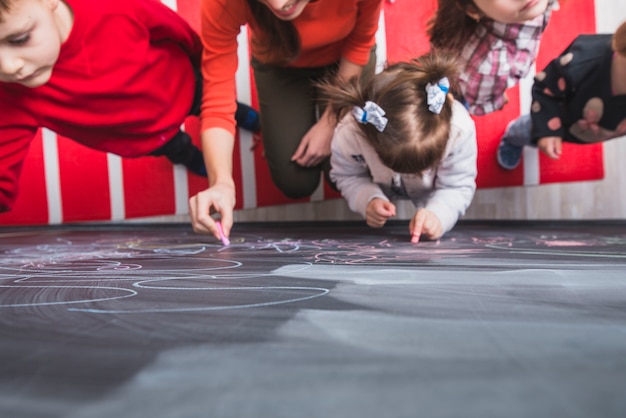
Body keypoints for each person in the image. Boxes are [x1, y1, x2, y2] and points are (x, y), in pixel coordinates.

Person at [0, 0, 259, 213]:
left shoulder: (114, 6)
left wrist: (201, 62)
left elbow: (174, 28)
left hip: (182, 85)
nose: (8, 67)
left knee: (218, 105)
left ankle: (246, 117)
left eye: (20, 39)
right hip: (146, 137)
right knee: (179, 149)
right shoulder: (12, 92)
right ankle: (195, 160)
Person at [188, 0, 383, 240]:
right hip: (280, 64)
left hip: (346, 60)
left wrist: (330, 122)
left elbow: (359, 42)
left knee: (347, 168)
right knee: (295, 182)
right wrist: (221, 183)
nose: (279, 5)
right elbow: (217, 100)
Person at [320, 53, 478, 242]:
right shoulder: (349, 133)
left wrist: (439, 214)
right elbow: (346, 175)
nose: (414, 172)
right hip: (379, 183)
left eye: (424, 166)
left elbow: (457, 185)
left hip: (430, 193)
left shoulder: (460, 131)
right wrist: (367, 199)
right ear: (371, 141)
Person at [497, 20, 626, 169]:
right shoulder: (584, 61)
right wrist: (547, 131)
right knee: (529, 130)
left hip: (590, 130)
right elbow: (544, 87)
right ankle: (514, 137)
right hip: (553, 115)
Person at [428, 0, 559, 116]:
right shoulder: (490, 64)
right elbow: (477, 100)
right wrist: (496, 99)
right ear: (473, 10)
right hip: (466, 87)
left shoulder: (528, 7)